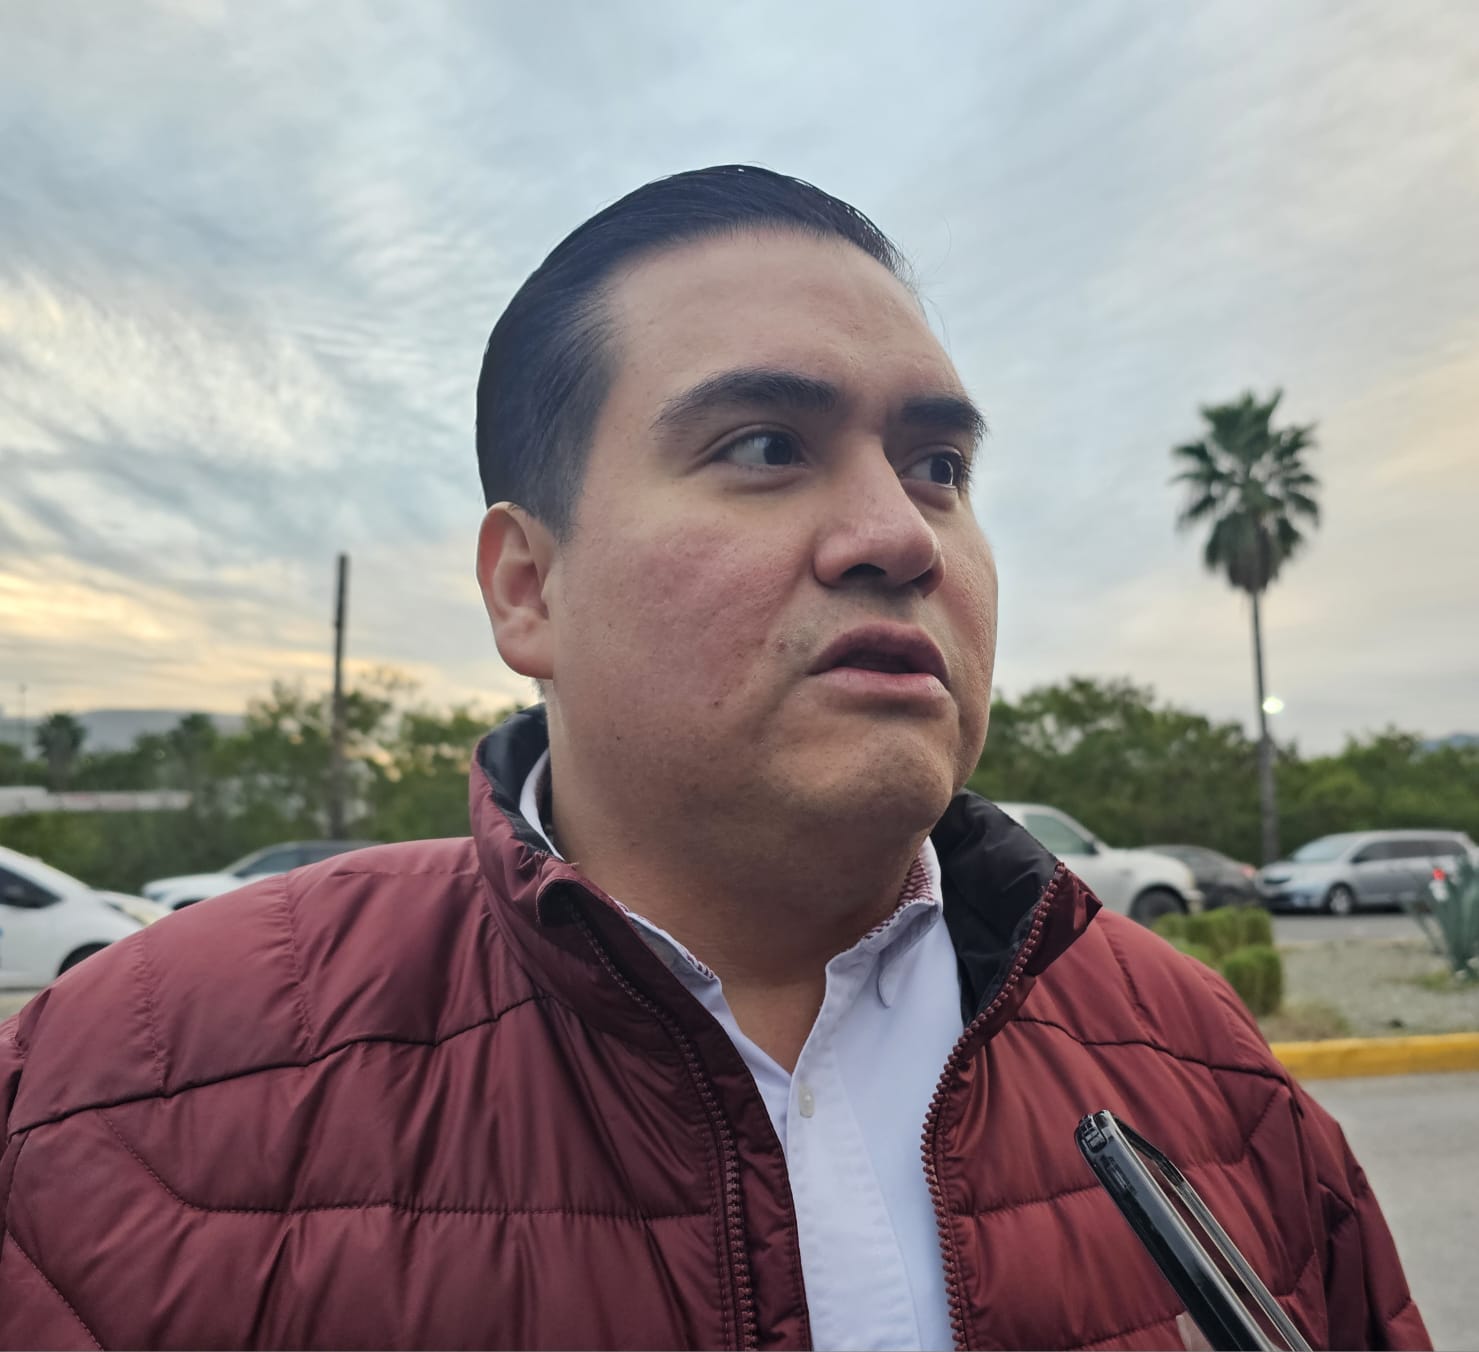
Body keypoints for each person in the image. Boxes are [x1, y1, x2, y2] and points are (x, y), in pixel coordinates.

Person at [0, 166, 1426, 1352]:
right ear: (527, 588)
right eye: (763, 445)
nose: (901, 534)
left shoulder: (1205, 1070)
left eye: (939, 467)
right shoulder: (109, 1103)